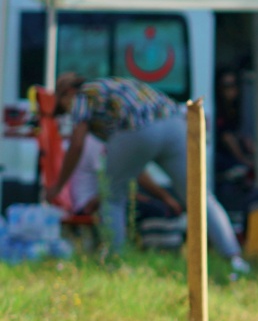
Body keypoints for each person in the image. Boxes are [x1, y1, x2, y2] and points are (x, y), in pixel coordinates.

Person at [49, 74, 246, 266]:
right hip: (175, 125)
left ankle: (114, 262)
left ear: (68, 92)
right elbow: (133, 168)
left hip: (135, 128)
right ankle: (234, 258)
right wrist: (163, 196)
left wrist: (58, 186)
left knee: (112, 199)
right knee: (199, 195)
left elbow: (76, 144)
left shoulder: (83, 95)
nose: (69, 114)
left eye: (63, 108)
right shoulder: (115, 84)